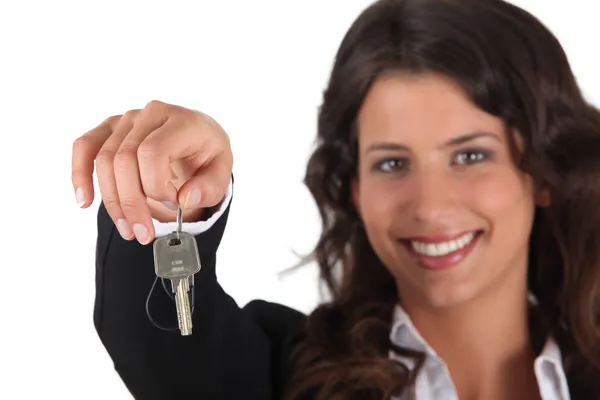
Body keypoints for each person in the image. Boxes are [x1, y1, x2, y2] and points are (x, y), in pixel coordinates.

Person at [71, 0, 600, 398]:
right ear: (354, 188)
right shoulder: (285, 375)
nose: (431, 206)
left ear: (545, 173)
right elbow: (166, 350)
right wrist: (166, 199)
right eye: (392, 163)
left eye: (470, 156)